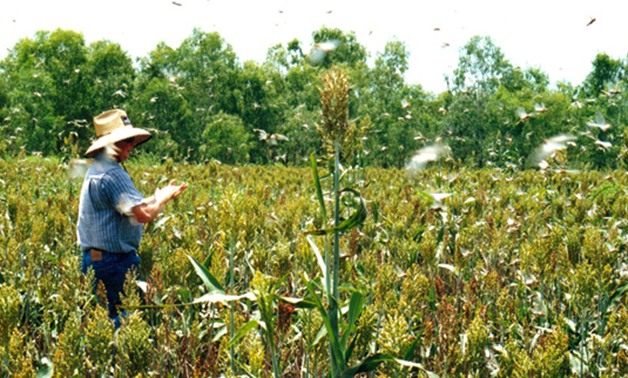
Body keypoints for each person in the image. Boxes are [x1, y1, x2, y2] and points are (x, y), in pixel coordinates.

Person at [77, 108, 188, 327]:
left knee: (97, 326)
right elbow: (143, 215)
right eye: (125, 141)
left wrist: (156, 197)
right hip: (114, 262)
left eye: (132, 141)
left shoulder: (97, 169)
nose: (131, 146)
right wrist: (163, 199)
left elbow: (128, 208)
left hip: (95, 260)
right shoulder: (113, 173)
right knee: (124, 324)